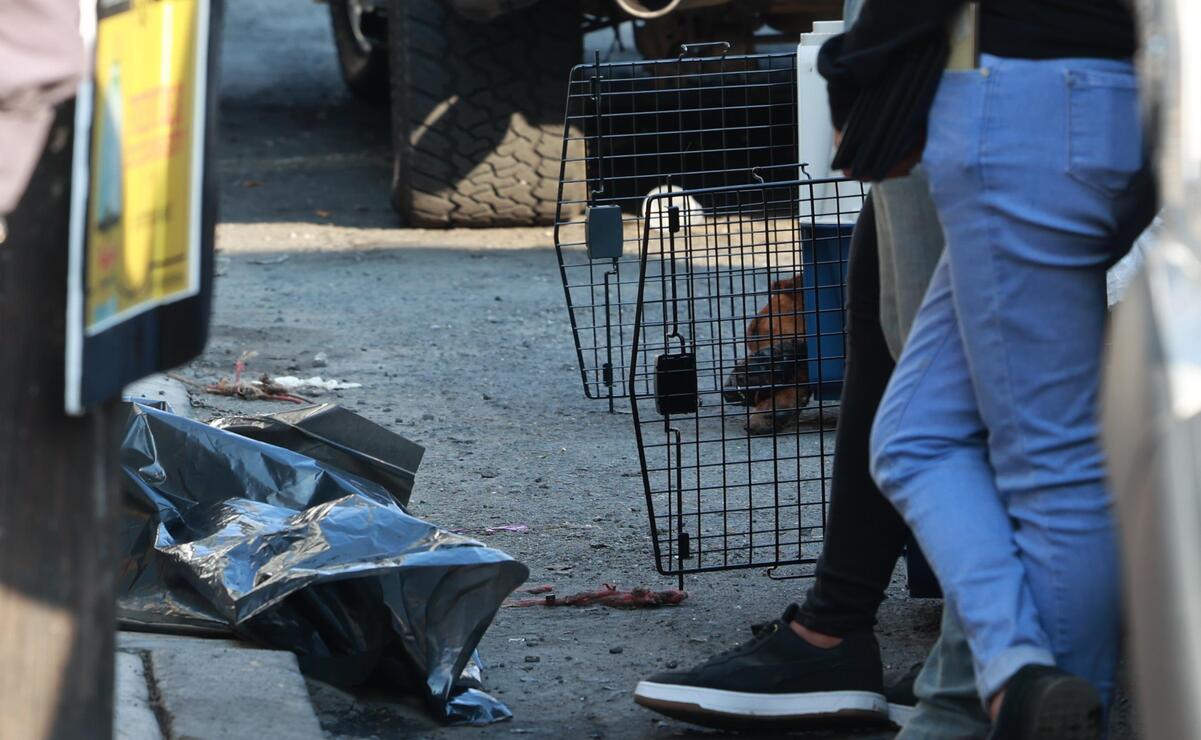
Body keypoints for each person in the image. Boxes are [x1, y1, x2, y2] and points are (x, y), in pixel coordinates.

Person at [631, 2, 962, 731]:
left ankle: (983, 670)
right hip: (985, 70)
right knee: (889, 339)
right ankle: (840, 630)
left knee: (945, 392)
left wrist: (854, 68)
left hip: (981, 78)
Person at [853, 1, 1144, 737]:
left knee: (1050, 465)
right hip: (1083, 93)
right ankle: (1009, 673)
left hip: (1025, 96)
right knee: (912, 438)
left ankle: (1029, 700)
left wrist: (854, 67)